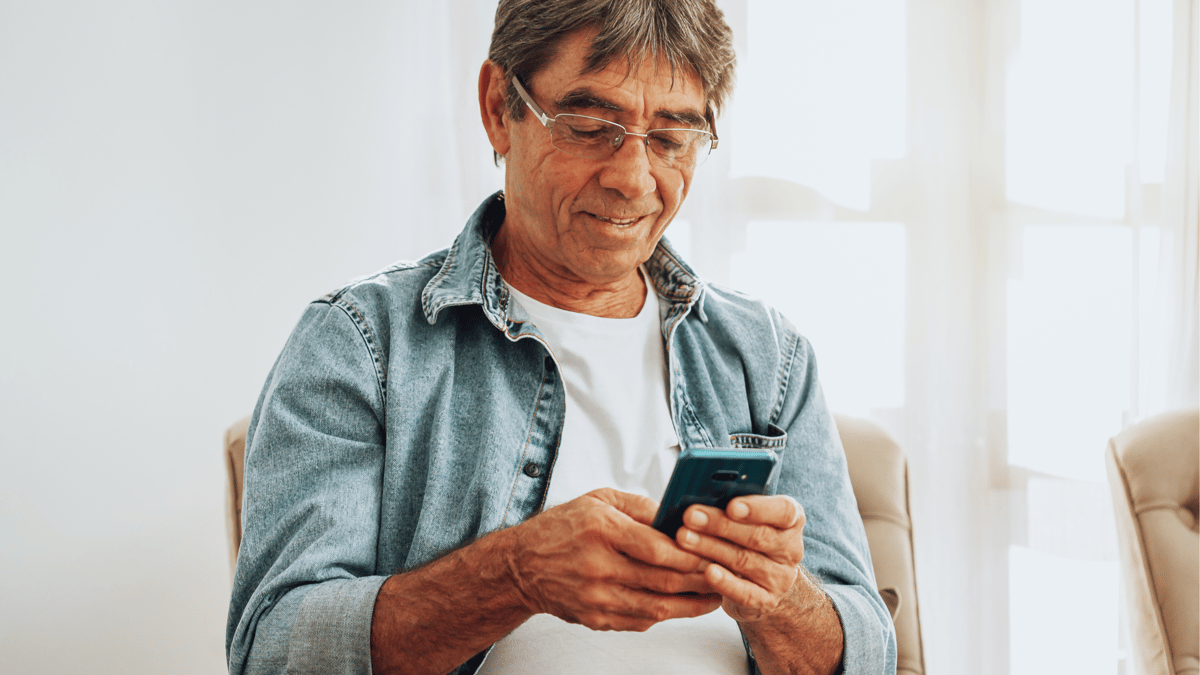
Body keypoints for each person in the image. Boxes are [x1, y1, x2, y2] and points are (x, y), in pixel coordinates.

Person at [225, 1, 897, 674]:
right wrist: (513, 575)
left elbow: (868, 649)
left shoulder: (768, 356)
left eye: (671, 138)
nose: (633, 179)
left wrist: (778, 599)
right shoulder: (362, 344)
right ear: (498, 107)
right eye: (590, 125)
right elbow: (274, 649)